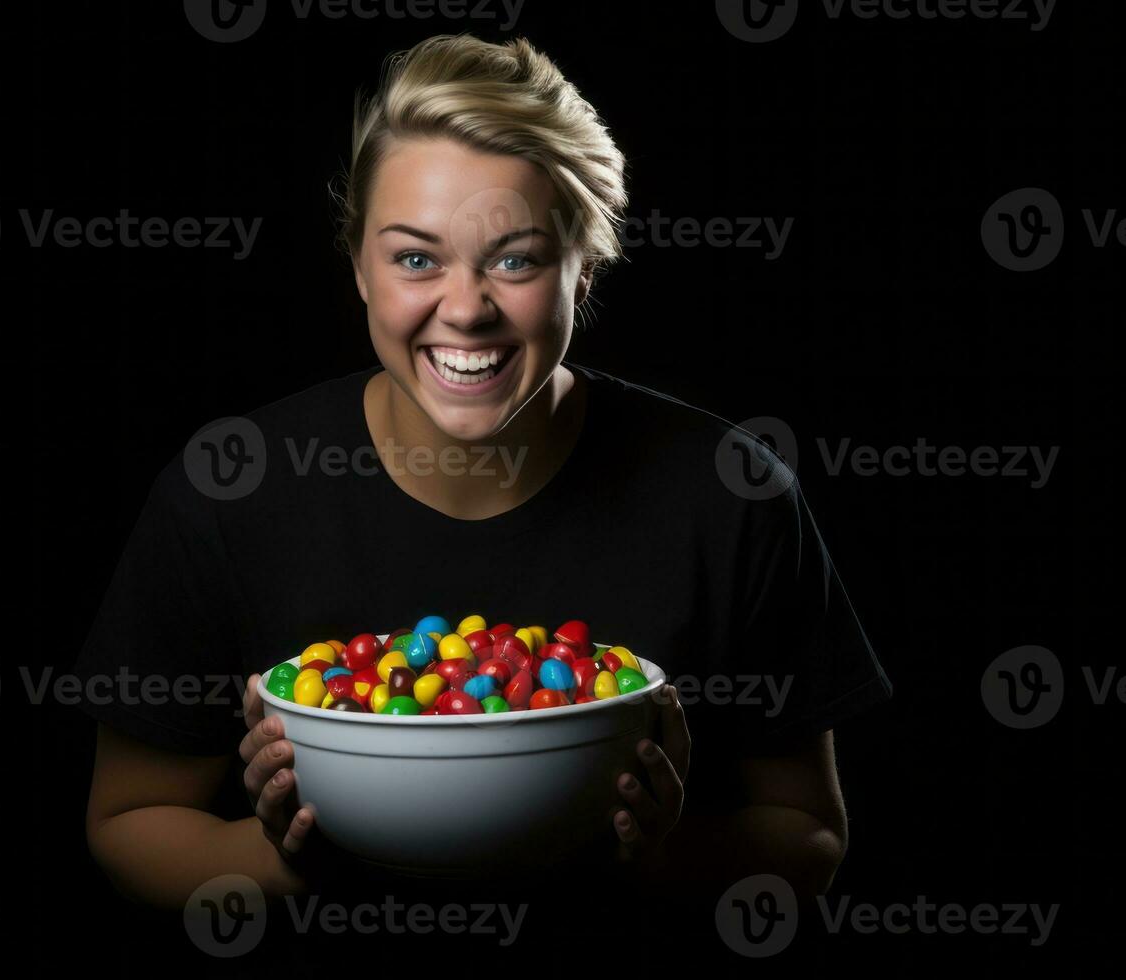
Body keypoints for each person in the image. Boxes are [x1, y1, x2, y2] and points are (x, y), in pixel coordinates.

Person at [74, 33, 892, 964]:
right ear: (357, 267)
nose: (464, 309)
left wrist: (656, 850)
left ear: (586, 262)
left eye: (516, 259)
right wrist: (287, 859)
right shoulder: (229, 489)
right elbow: (128, 821)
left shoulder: (730, 494)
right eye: (416, 260)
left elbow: (810, 837)